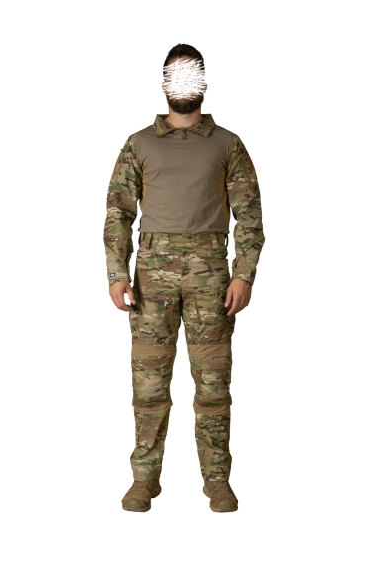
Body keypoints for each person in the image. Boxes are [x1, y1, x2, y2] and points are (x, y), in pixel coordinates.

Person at [103, 43, 265, 513]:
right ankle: (143, 481)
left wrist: (244, 274)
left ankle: (217, 483)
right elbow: (118, 212)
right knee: (148, 386)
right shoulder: (139, 143)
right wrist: (116, 273)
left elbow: (250, 214)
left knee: (213, 385)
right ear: (163, 83)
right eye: (175, 76)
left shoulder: (228, 143)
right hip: (150, 276)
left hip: (211, 274)